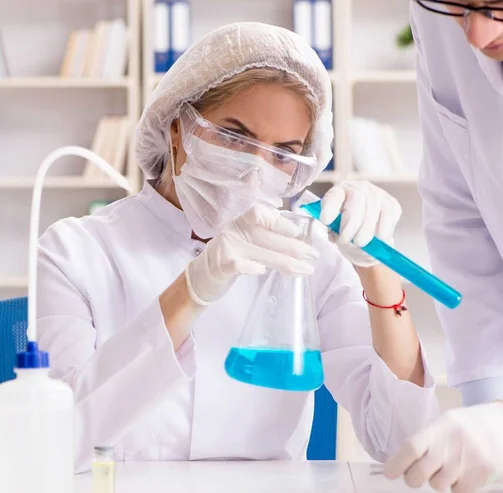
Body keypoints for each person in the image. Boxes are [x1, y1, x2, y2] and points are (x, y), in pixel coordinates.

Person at [36, 22, 438, 472]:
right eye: (233, 136)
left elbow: (403, 442)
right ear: (176, 128)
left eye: (283, 153)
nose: (255, 171)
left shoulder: (310, 257)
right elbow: (57, 442)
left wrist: (376, 270)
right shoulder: (74, 250)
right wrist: (195, 287)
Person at [385, 0, 503, 491]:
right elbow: (461, 211)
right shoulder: (436, 17)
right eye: (458, 5)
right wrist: (492, 408)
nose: (477, 36)